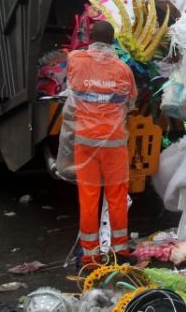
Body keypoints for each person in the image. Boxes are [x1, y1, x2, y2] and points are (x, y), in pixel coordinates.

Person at [63, 21, 137, 265]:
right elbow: (131, 103)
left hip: (85, 142)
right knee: (116, 196)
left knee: (89, 196)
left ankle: (90, 254)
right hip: (114, 143)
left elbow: (71, 92)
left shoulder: (76, 60)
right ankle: (120, 249)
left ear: (90, 38)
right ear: (112, 40)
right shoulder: (123, 69)